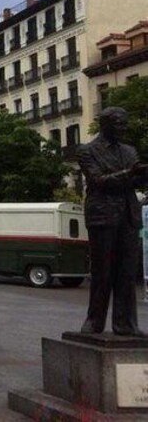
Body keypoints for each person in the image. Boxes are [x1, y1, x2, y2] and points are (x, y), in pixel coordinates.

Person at [77, 107, 148, 335]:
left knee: (127, 272)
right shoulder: (87, 151)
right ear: (105, 125)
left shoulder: (129, 150)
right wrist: (130, 173)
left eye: (124, 124)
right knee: (102, 271)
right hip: (102, 215)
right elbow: (97, 181)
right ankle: (94, 321)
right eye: (119, 124)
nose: (123, 128)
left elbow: (134, 179)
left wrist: (141, 173)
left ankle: (126, 324)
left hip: (128, 215)